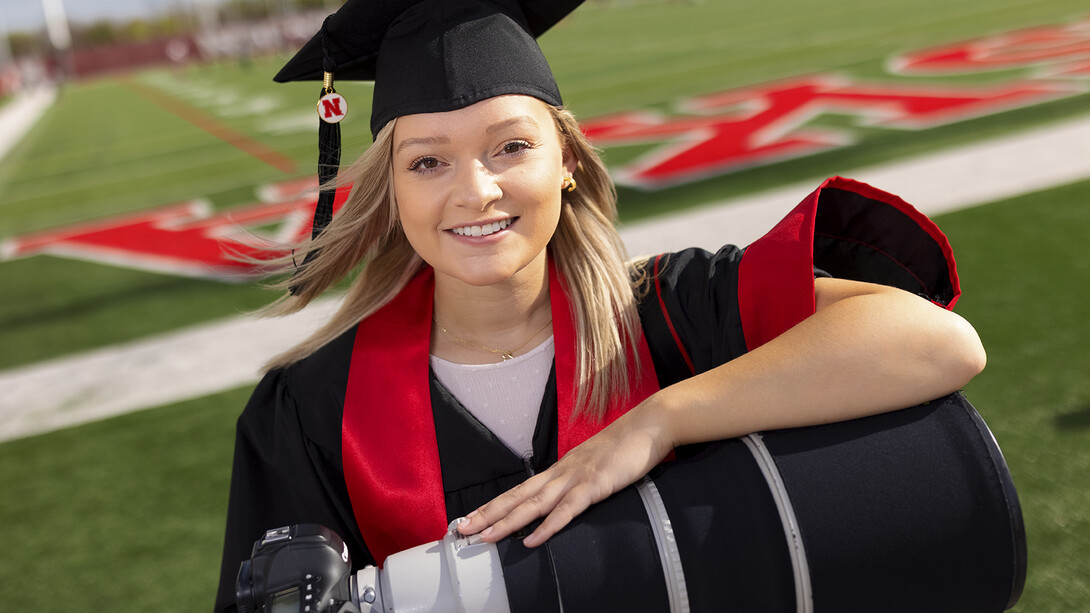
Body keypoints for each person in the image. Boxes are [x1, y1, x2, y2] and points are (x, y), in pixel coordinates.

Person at [214, 0, 986, 610]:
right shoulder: (312, 415)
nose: (476, 190)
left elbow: (938, 342)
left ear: (570, 162)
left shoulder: (670, 313)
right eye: (428, 162)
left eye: (510, 146)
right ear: (392, 194)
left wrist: (660, 421)